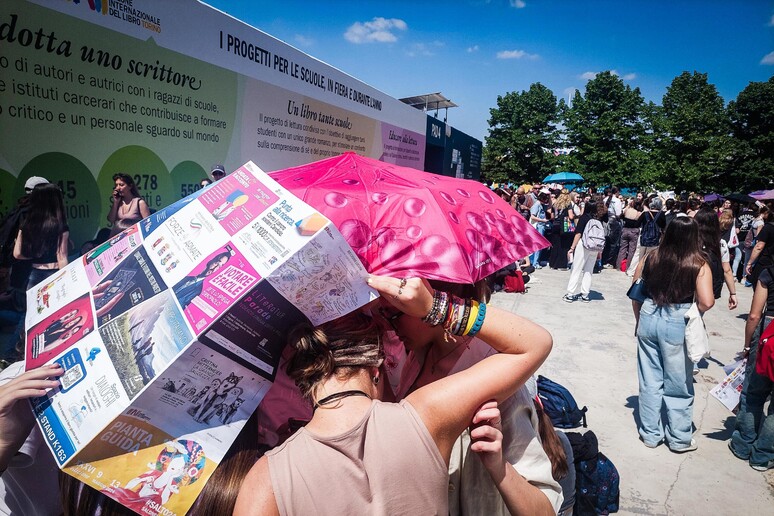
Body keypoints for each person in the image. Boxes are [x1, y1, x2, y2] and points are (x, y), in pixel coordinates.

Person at [234, 275, 553, 515]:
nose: (391, 324)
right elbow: (534, 344)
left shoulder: (263, 480)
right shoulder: (426, 412)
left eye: (394, 313)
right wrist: (436, 308)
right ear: (376, 361)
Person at [386, 280, 561, 515]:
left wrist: (499, 468)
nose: (390, 326)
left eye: (396, 313)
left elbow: (544, 510)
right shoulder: (418, 355)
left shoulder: (494, 375)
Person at [632, 217, 714, 452]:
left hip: (649, 312)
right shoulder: (698, 264)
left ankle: (650, 433)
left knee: (649, 379)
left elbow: (635, 289)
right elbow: (707, 301)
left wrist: (639, 321)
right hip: (679, 318)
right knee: (678, 383)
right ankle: (679, 438)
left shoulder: (652, 257)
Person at [728, 264, 774, 471]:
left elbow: (754, 315)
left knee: (753, 393)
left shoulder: (769, 272)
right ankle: (763, 455)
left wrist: (748, 345)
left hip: (768, 333)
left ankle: (743, 445)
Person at [12, 183, 69, 290]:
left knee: (35, 306)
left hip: (34, 274)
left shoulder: (26, 224)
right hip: (54, 273)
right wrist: (67, 281)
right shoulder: (60, 225)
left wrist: (36, 255)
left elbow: (17, 253)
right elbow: (62, 257)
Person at [564, 196, 605, 303]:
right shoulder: (598, 219)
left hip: (584, 245)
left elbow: (578, 234)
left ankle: (570, 293)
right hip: (595, 247)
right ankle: (585, 294)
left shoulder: (584, 218)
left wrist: (572, 248)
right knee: (589, 270)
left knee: (576, 268)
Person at [745, 201, 774, 288]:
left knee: (760, 288)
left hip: (766, 262)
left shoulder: (768, 227)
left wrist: (749, 263)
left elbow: (759, 246)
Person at [549, 189, 576, 270]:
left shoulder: (555, 203)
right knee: (564, 245)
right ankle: (561, 264)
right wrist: (575, 216)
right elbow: (571, 216)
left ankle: (553, 264)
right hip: (564, 226)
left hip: (555, 225)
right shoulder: (568, 204)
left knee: (555, 245)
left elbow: (552, 216)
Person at [617, 197, 643, 272]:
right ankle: (627, 267)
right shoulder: (639, 213)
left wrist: (628, 205)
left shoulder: (627, 210)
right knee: (631, 250)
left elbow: (621, 216)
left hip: (625, 229)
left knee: (622, 249)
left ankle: (619, 266)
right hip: (634, 231)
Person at [602, 187, 623, 268]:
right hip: (614, 221)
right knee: (613, 243)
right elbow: (618, 213)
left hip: (606, 221)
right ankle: (608, 261)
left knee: (605, 240)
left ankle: (603, 259)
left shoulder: (605, 199)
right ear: (616, 192)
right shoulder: (617, 201)